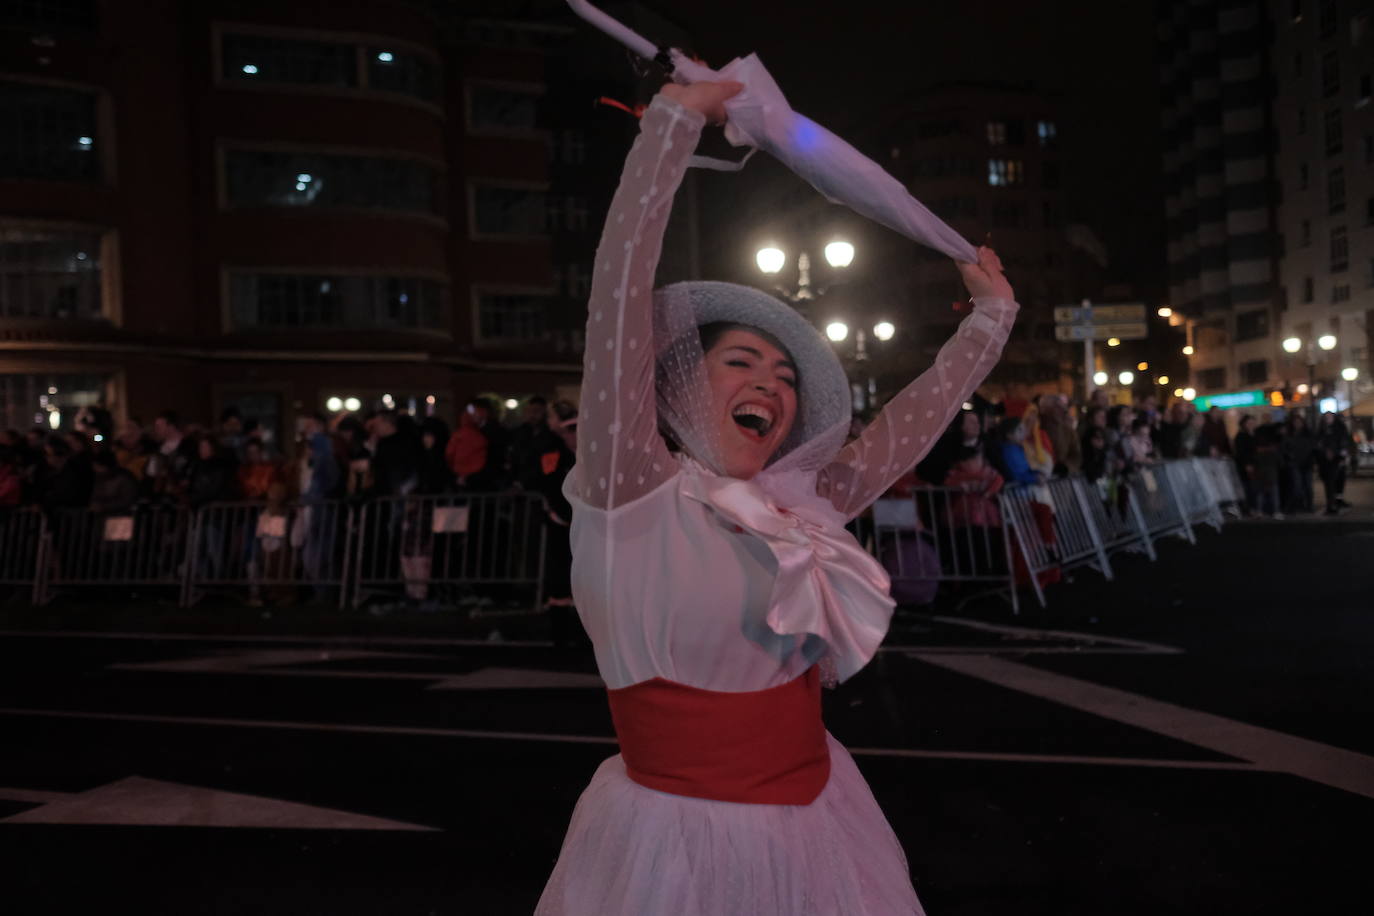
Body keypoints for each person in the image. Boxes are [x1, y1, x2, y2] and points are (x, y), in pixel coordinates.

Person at [535, 82, 1018, 915]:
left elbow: (908, 430)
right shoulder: (631, 490)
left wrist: (990, 318)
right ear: (681, 381)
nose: (772, 384)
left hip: (819, 821)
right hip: (674, 847)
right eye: (743, 363)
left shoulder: (800, 506)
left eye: (786, 375)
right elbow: (615, 302)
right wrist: (672, 130)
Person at [1315, 412, 1353, 514]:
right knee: (1329, 484)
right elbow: (1318, 444)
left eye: (1329, 417)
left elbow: (1344, 443)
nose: (1327, 419)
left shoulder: (1339, 429)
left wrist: (1339, 455)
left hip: (1336, 460)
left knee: (1333, 483)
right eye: (1326, 417)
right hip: (1324, 462)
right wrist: (1324, 452)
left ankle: (1332, 504)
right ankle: (1331, 504)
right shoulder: (1321, 430)